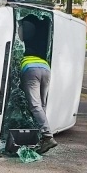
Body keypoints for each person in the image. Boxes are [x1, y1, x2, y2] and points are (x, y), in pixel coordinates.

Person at [19, 16, 57, 154]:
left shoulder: (22, 56)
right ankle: (41, 137)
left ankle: (47, 137)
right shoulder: (38, 54)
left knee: (34, 105)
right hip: (46, 68)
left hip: (30, 69)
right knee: (42, 104)